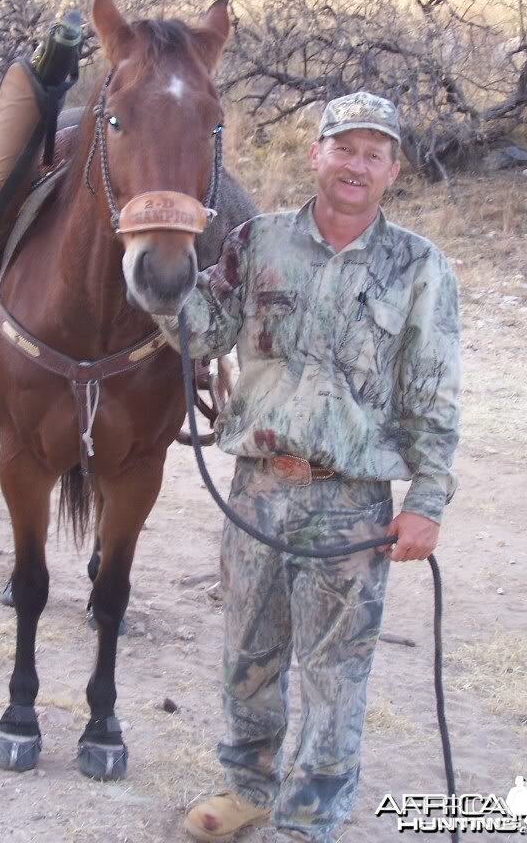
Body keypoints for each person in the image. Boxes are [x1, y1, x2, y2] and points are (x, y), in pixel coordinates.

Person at [153, 92, 461, 842]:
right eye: (344, 148)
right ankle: (249, 786)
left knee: (335, 672)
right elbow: (201, 329)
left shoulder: (419, 267)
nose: (356, 165)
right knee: (249, 655)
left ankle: (309, 817)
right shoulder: (258, 241)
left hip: (352, 503)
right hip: (257, 491)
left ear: (392, 170)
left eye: (374, 154)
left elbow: (432, 390)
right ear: (316, 154)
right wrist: (155, 271)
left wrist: (427, 500)